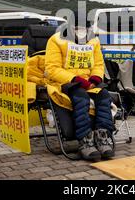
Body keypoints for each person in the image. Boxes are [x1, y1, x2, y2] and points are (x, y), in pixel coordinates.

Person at [44, 12, 115, 161]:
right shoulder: (56, 40)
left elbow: (98, 64)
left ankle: (103, 137)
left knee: (103, 95)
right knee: (81, 97)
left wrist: (95, 79)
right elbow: (52, 69)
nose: (81, 30)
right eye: (77, 27)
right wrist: (76, 79)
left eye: (84, 28)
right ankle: (85, 141)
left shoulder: (93, 41)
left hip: (89, 82)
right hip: (64, 82)